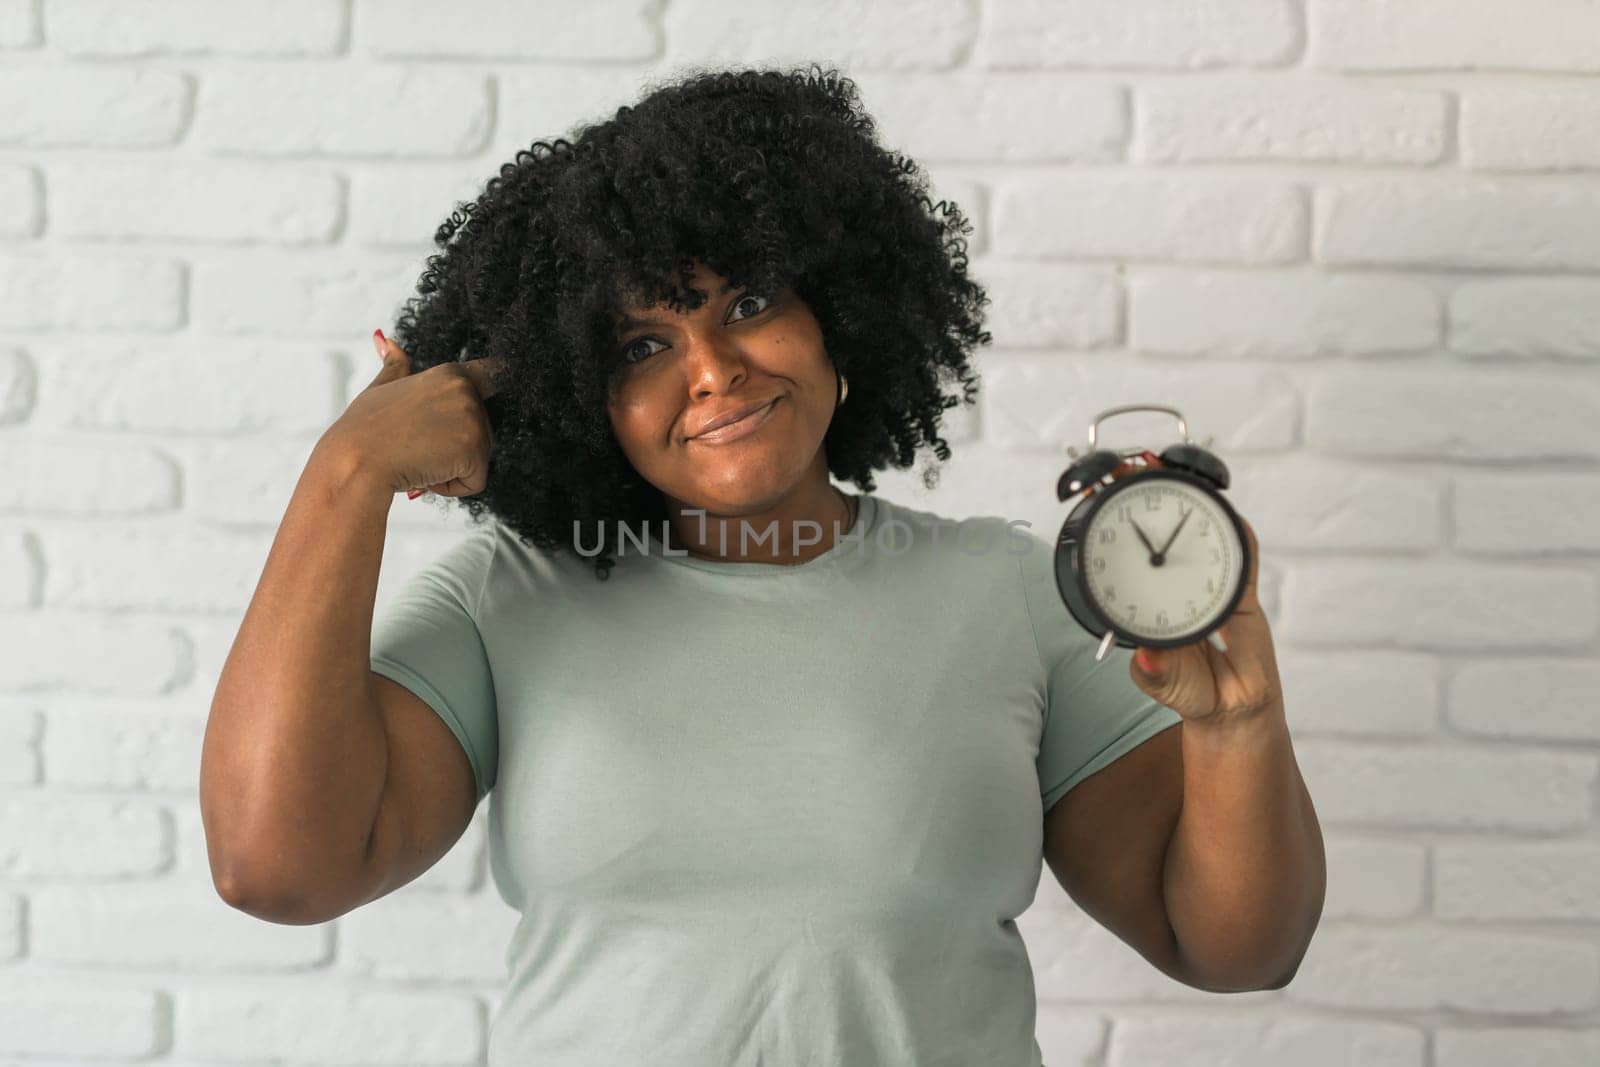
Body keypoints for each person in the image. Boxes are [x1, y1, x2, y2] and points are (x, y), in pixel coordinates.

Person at [201, 63, 1323, 1066]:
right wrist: (345, 474)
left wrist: (1236, 726)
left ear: (838, 313)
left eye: (746, 303)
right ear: (578, 392)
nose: (713, 370)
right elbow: (278, 866)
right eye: (642, 346)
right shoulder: (509, 599)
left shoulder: (1010, 595)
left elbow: (1231, 949)